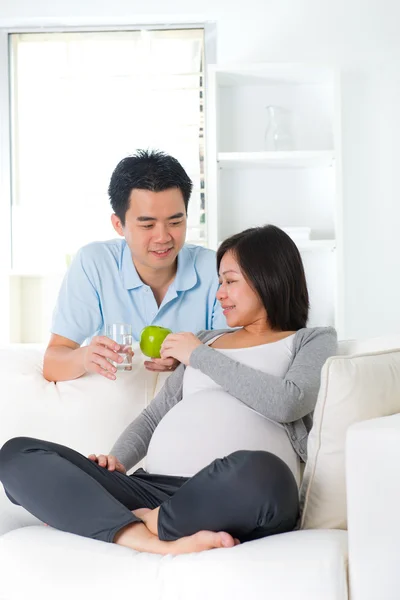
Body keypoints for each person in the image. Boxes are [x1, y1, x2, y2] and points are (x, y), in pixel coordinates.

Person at [0, 225, 337, 556]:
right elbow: (153, 417)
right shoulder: (206, 340)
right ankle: (148, 534)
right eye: (220, 282)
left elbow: (289, 402)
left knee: (266, 474)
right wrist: (117, 460)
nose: (220, 293)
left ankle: (132, 521)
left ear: (269, 279)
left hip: (232, 495)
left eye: (230, 282)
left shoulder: (310, 339)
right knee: (17, 455)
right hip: (151, 490)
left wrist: (199, 357)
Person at [43, 149, 227, 383]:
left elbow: (236, 360)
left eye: (175, 222)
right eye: (147, 225)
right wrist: (84, 357)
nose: (163, 237)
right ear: (118, 225)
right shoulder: (94, 263)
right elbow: (52, 363)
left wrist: (190, 359)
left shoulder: (216, 268)